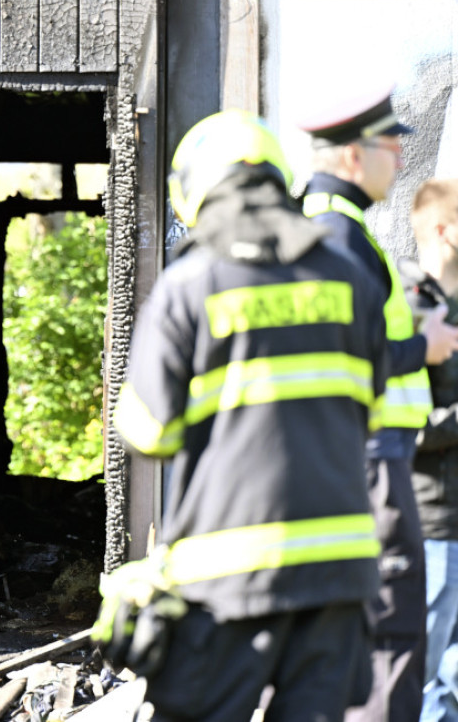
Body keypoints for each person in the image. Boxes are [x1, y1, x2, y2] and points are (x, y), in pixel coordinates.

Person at [93, 109, 390, 721]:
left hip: (223, 583)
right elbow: (375, 412)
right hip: (339, 576)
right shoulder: (349, 277)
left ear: (196, 193)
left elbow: (145, 431)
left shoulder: (191, 284)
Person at [298, 86, 458, 722]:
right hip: (374, 458)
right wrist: (421, 346)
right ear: (353, 156)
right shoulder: (335, 235)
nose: (400, 160)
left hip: (377, 457)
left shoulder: (346, 231)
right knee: (392, 634)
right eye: (392, 146)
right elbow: (338, 356)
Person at [405, 178, 458, 722]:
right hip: (433, 520)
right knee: (423, 674)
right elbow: (402, 423)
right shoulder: (409, 307)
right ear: (444, 230)